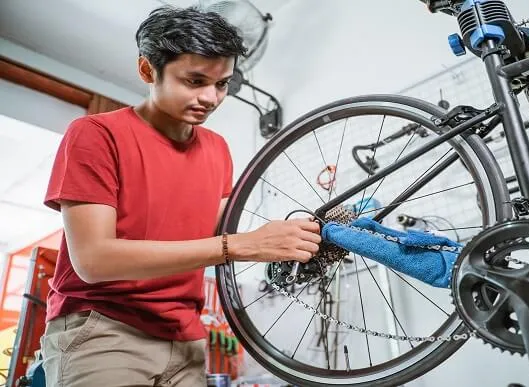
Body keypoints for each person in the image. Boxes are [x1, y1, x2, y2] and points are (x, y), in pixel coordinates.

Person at [39, 5, 321, 386]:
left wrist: (296, 240)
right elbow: (94, 260)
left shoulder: (217, 148)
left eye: (222, 84)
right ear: (147, 70)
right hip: (105, 331)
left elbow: (224, 235)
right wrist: (239, 245)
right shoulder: (96, 135)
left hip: (186, 338)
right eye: (194, 81)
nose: (211, 97)